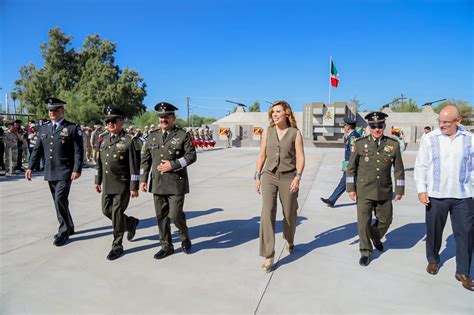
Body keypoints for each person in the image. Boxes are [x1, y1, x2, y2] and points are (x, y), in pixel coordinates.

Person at [414, 105, 473, 291]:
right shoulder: (429, 138)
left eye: (446, 122)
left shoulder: (470, 139)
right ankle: (433, 260)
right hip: (436, 195)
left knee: (466, 233)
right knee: (433, 231)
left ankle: (463, 271)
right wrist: (421, 189)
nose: (441, 125)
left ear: (458, 121)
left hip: (462, 195)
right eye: (439, 121)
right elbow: (421, 165)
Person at [346, 111, 405, 266]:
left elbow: (399, 170)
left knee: (386, 220)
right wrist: (350, 188)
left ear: (384, 126)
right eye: (373, 126)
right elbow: (350, 168)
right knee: (363, 222)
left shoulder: (393, 145)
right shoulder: (359, 143)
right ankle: (365, 251)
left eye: (379, 125)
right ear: (369, 127)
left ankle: (375, 235)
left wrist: (399, 190)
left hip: (384, 190)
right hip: (363, 190)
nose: (376, 129)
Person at [140, 102, 197, 260]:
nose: (163, 119)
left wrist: (173, 165)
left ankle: (184, 237)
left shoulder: (182, 135)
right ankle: (166, 246)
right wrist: (143, 179)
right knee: (161, 216)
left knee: (175, 214)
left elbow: (192, 156)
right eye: (161, 117)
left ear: (173, 117)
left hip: (176, 183)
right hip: (157, 182)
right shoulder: (152, 136)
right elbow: (145, 160)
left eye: (167, 116)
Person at [26, 97, 84, 246]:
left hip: (66, 171)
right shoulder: (44, 128)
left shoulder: (72, 128)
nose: (52, 112)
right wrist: (30, 167)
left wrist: (77, 169)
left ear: (62, 111)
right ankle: (69, 226)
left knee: (59, 199)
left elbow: (78, 151)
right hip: (50, 171)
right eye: (50, 110)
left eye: (55, 110)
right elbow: (37, 149)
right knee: (59, 201)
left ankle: (63, 232)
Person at [255, 100, 305, 272]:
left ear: (286, 113)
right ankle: (268, 254)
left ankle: (290, 238)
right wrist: (257, 175)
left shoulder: (295, 133)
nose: (275, 115)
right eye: (272, 113)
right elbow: (262, 155)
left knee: (289, 214)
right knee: (267, 212)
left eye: (278, 112)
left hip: (288, 177)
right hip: (269, 176)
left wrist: (298, 177)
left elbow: (300, 157)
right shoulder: (267, 132)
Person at [95, 106, 141, 260]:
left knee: (116, 213)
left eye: (113, 120)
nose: (110, 123)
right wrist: (97, 180)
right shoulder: (103, 139)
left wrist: (134, 187)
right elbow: (100, 163)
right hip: (107, 183)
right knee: (106, 210)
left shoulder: (130, 141)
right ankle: (130, 223)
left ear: (121, 121)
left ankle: (117, 245)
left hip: (122, 185)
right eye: (107, 120)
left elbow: (135, 166)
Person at [321, 118, 360, 207]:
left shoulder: (354, 136)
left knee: (351, 182)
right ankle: (332, 199)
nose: (343, 127)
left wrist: (349, 166)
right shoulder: (351, 135)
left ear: (348, 126)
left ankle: (363, 200)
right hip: (348, 164)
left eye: (344, 125)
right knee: (344, 182)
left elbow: (353, 153)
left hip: (351, 164)